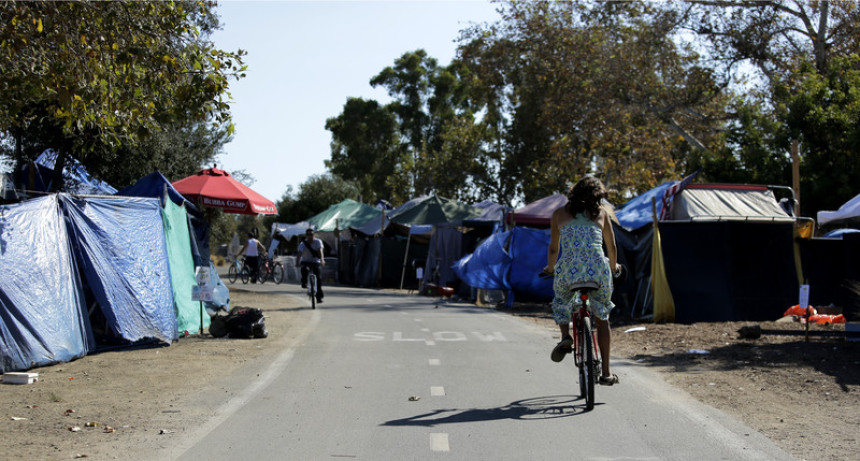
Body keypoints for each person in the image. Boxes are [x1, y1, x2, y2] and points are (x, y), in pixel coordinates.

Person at [544, 175, 621, 386]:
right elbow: (611, 247)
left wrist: (551, 268)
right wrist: (614, 267)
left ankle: (565, 336)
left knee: (561, 301)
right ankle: (606, 373)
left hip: (569, 270)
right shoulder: (602, 214)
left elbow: (553, 248)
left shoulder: (559, 214)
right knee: (602, 315)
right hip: (598, 269)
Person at [296, 228, 325, 303]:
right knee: (304, 269)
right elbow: (299, 253)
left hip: (315, 262)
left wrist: (322, 259)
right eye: (308, 234)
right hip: (306, 261)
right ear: (306, 236)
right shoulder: (303, 244)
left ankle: (319, 297)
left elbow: (320, 251)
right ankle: (304, 282)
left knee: (318, 278)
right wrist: (297, 262)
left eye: (311, 234)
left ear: (314, 235)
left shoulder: (318, 241)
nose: (310, 236)